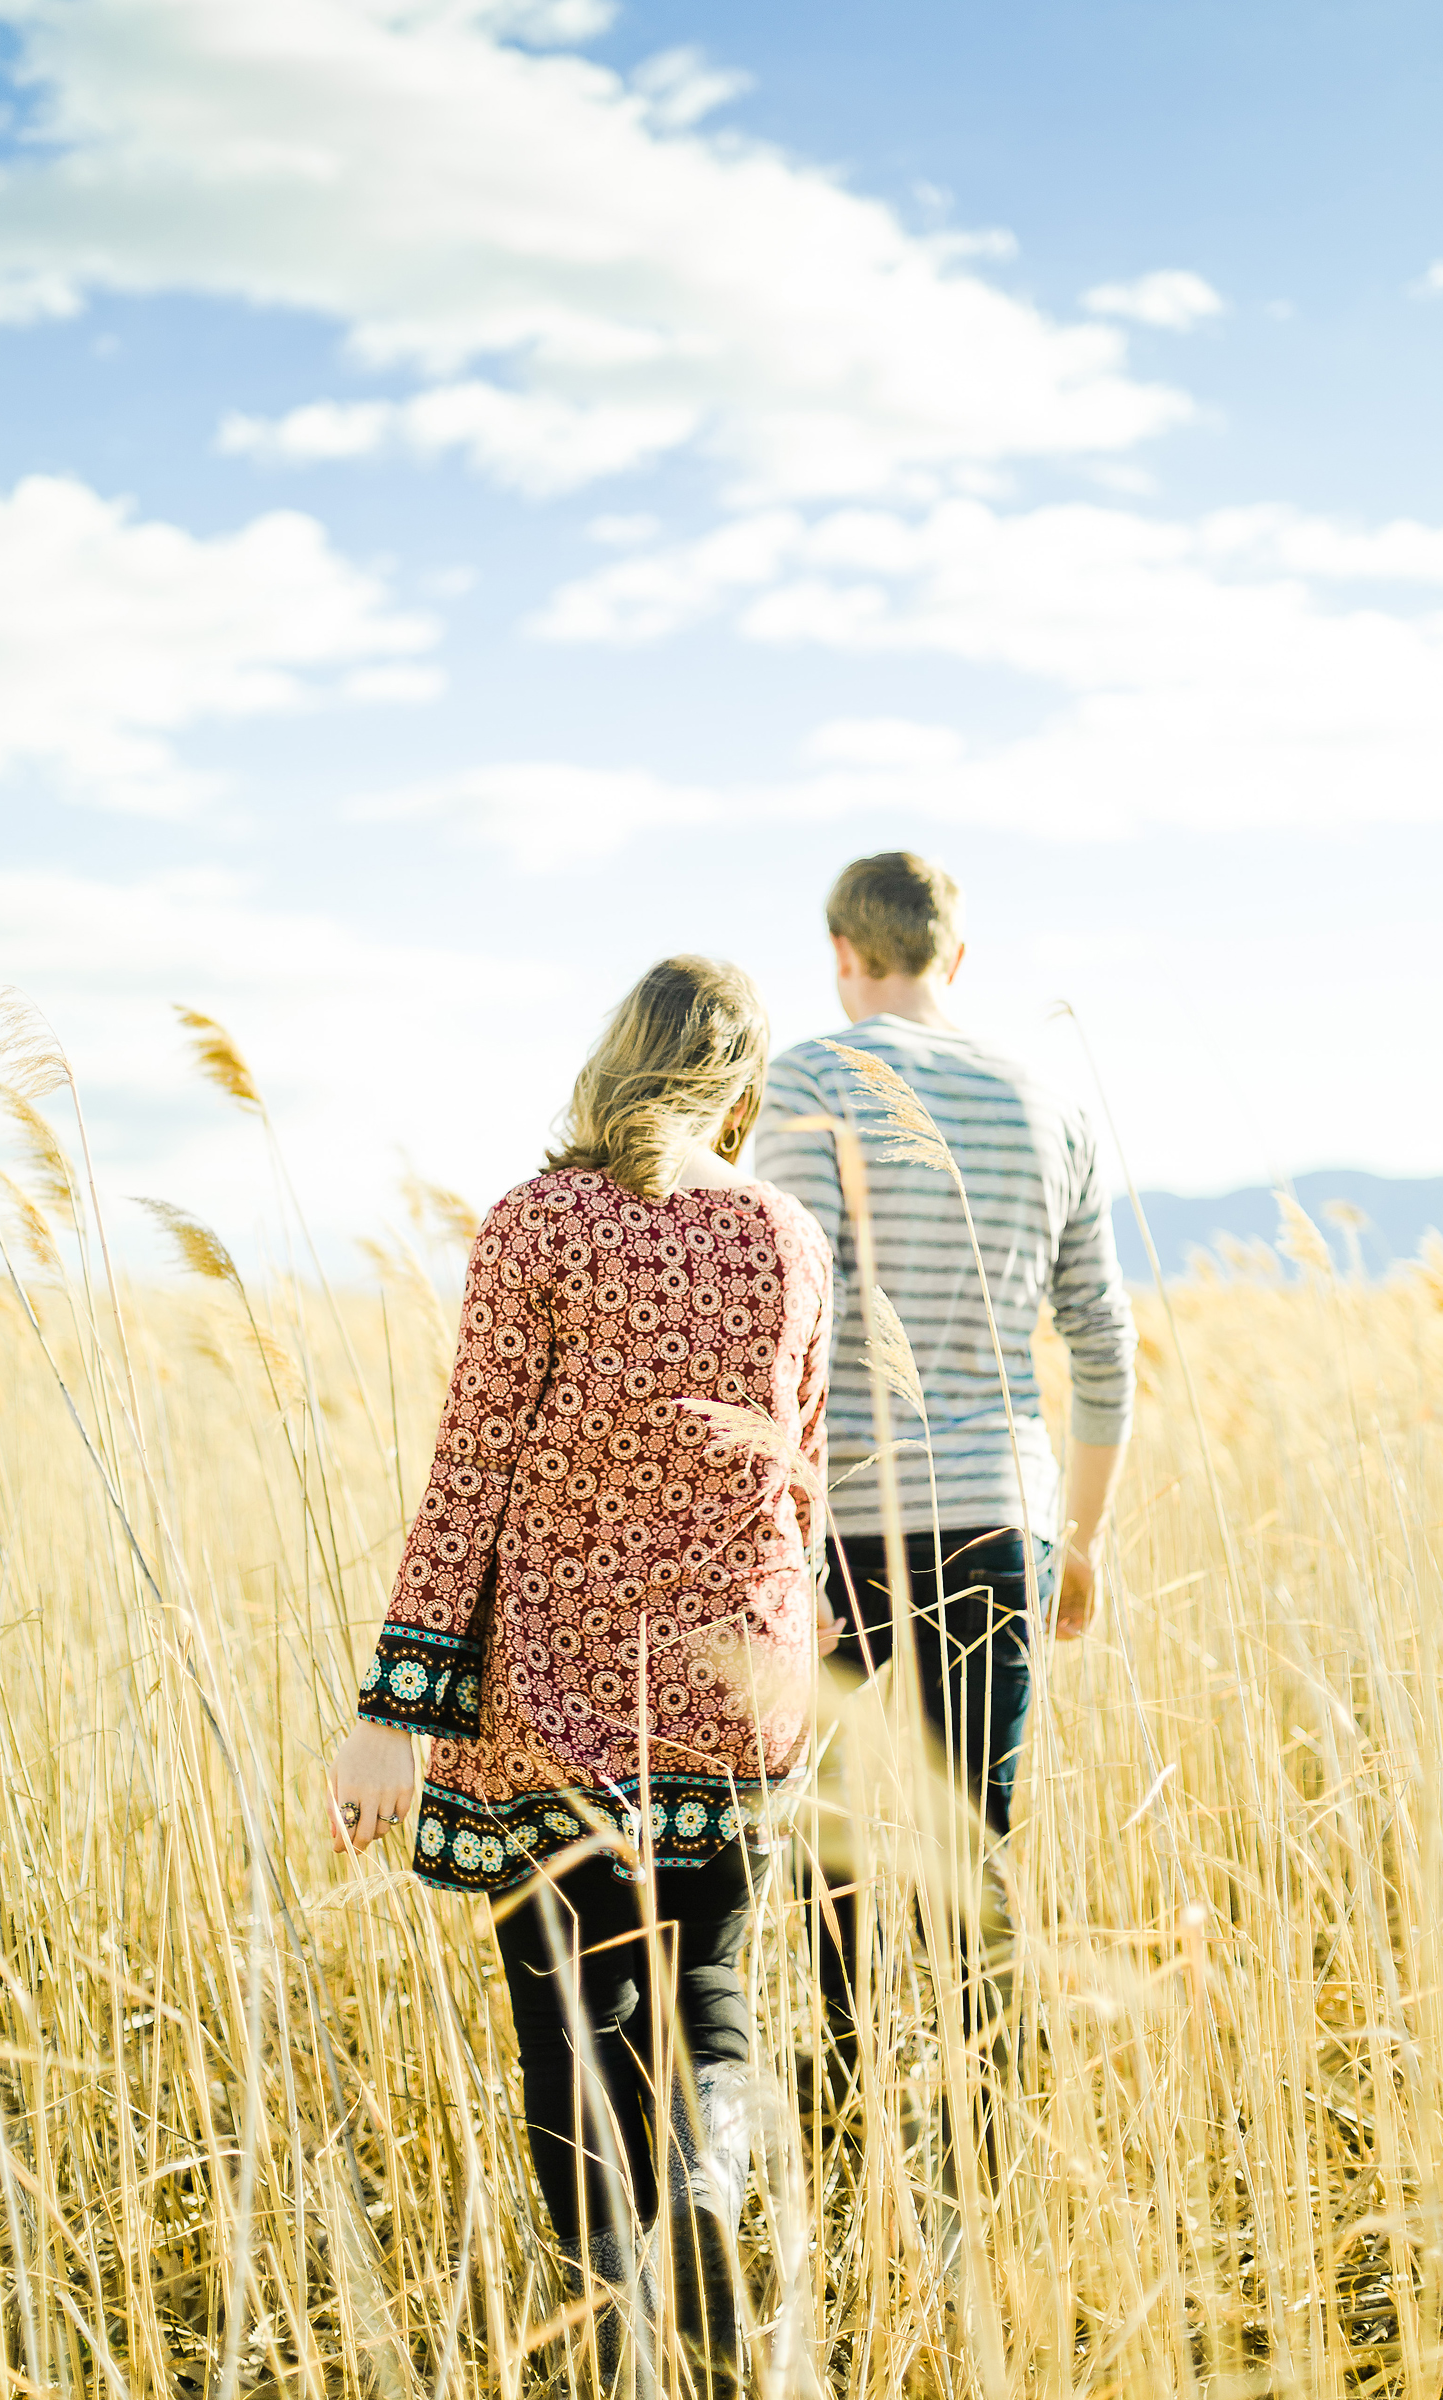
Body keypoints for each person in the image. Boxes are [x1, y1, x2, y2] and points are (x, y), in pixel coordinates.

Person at [330, 956, 834, 2399]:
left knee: (572, 2013)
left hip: (553, 1682)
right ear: (743, 1089)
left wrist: (391, 1714)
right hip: (739, 1675)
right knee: (711, 1990)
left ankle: (625, 2320)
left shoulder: (538, 1225)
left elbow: (472, 1471)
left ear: (616, 1061)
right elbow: (800, 1474)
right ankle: (711, 2210)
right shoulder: (788, 1234)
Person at [753, 851, 1137, 2128]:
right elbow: (1102, 1340)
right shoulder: (1049, 1098)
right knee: (977, 1825)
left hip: (851, 1522)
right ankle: (987, 2120)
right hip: (1003, 1517)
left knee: (840, 1839)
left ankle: (848, 2096)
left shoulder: (810, 1076)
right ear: (954, 959)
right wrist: (1076, 1537)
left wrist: (781, 1544)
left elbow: (792, 1322)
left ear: (842, 953)